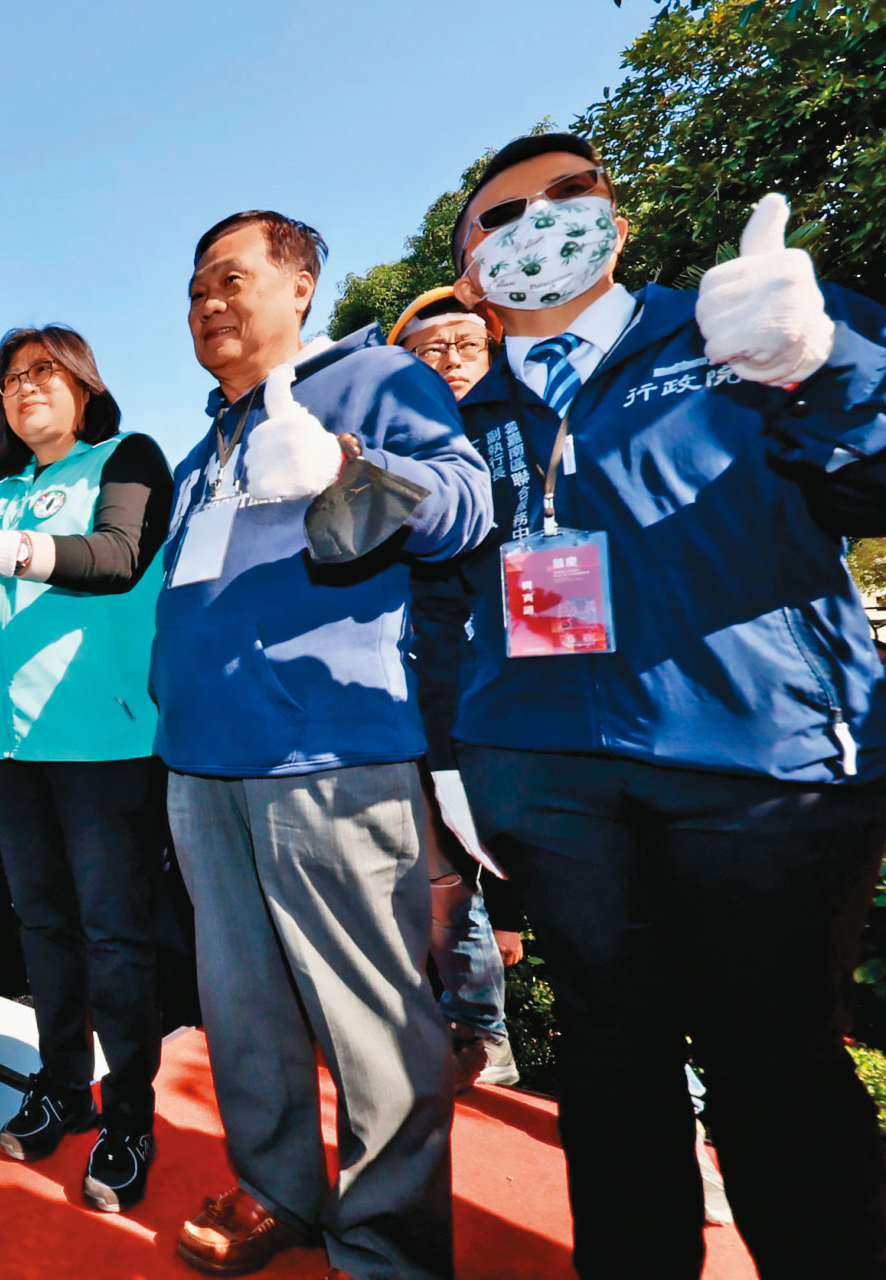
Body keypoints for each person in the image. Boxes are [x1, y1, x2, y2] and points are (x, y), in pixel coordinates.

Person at [434, 131, 886, 1276]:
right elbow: (452, 601)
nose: (539, 220)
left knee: (775, 1063)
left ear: (618, 222)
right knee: (608, 1053)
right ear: (472, 272)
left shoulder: (743, 322)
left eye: (569, 194)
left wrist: (824, 360)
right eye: (502, 215)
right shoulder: (465, 418)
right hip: (550, 776)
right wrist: (465, 756)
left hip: (761, 764)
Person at [155, 211, 491, 1279]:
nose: (208, 302)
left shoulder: (377, 377)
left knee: (372, 1018)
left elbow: (466, 502)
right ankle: (276, 1191)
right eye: (195, 289)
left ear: (300, 286)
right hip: (201, 760)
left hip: (329, 751)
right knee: (241, 1008)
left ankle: (387, 1245)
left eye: (230, 278)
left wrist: (355, 471)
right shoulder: (202, 445)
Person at [0, 324, 173, 1214]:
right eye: (11, 377)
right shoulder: (1, 493)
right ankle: (65, 1083)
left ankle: (130, 1116)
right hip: (11, 744)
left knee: (114, 933)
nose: (25, 386)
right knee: (42, 926)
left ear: (84, 385)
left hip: (104, 741)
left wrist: (19, 552)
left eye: (45, 371)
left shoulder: (125, 456)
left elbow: (119, 555)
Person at [389, 287, 521, 1092]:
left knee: (590, 885)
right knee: (439, 868)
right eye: (428, 351)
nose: (449, 361)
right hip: (426, 680)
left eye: (466, 346)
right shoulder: (391, 447)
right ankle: (477, 1031)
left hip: (536, 674)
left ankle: (670, 1096)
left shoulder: (528, 422)